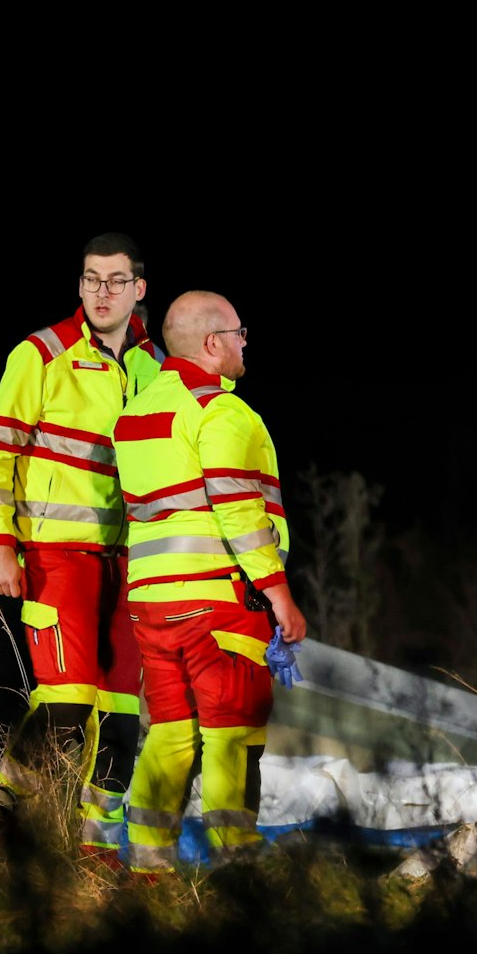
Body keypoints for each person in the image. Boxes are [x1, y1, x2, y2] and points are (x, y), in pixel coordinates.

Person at [0, 232, 163, 860]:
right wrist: (0, 547)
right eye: (90, 278)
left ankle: (95, 856)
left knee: (123, 718)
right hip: (55, 553)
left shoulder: (155, 368)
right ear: (79, 285)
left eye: (115, 280)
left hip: (129, 563)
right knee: (67, 707)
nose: (101, 292)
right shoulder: (40, 354)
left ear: (138, 290)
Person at [112, 291, 305, 876]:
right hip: (218, 602)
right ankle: (237, 872)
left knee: (170, 732)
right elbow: (237, 508)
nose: (246, 342)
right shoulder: (222, 413)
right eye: (240, 333)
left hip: (151, 605)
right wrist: (279, 594)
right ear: (212, 343)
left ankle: (148, 867)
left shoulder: (135, 415)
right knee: (233, 733)